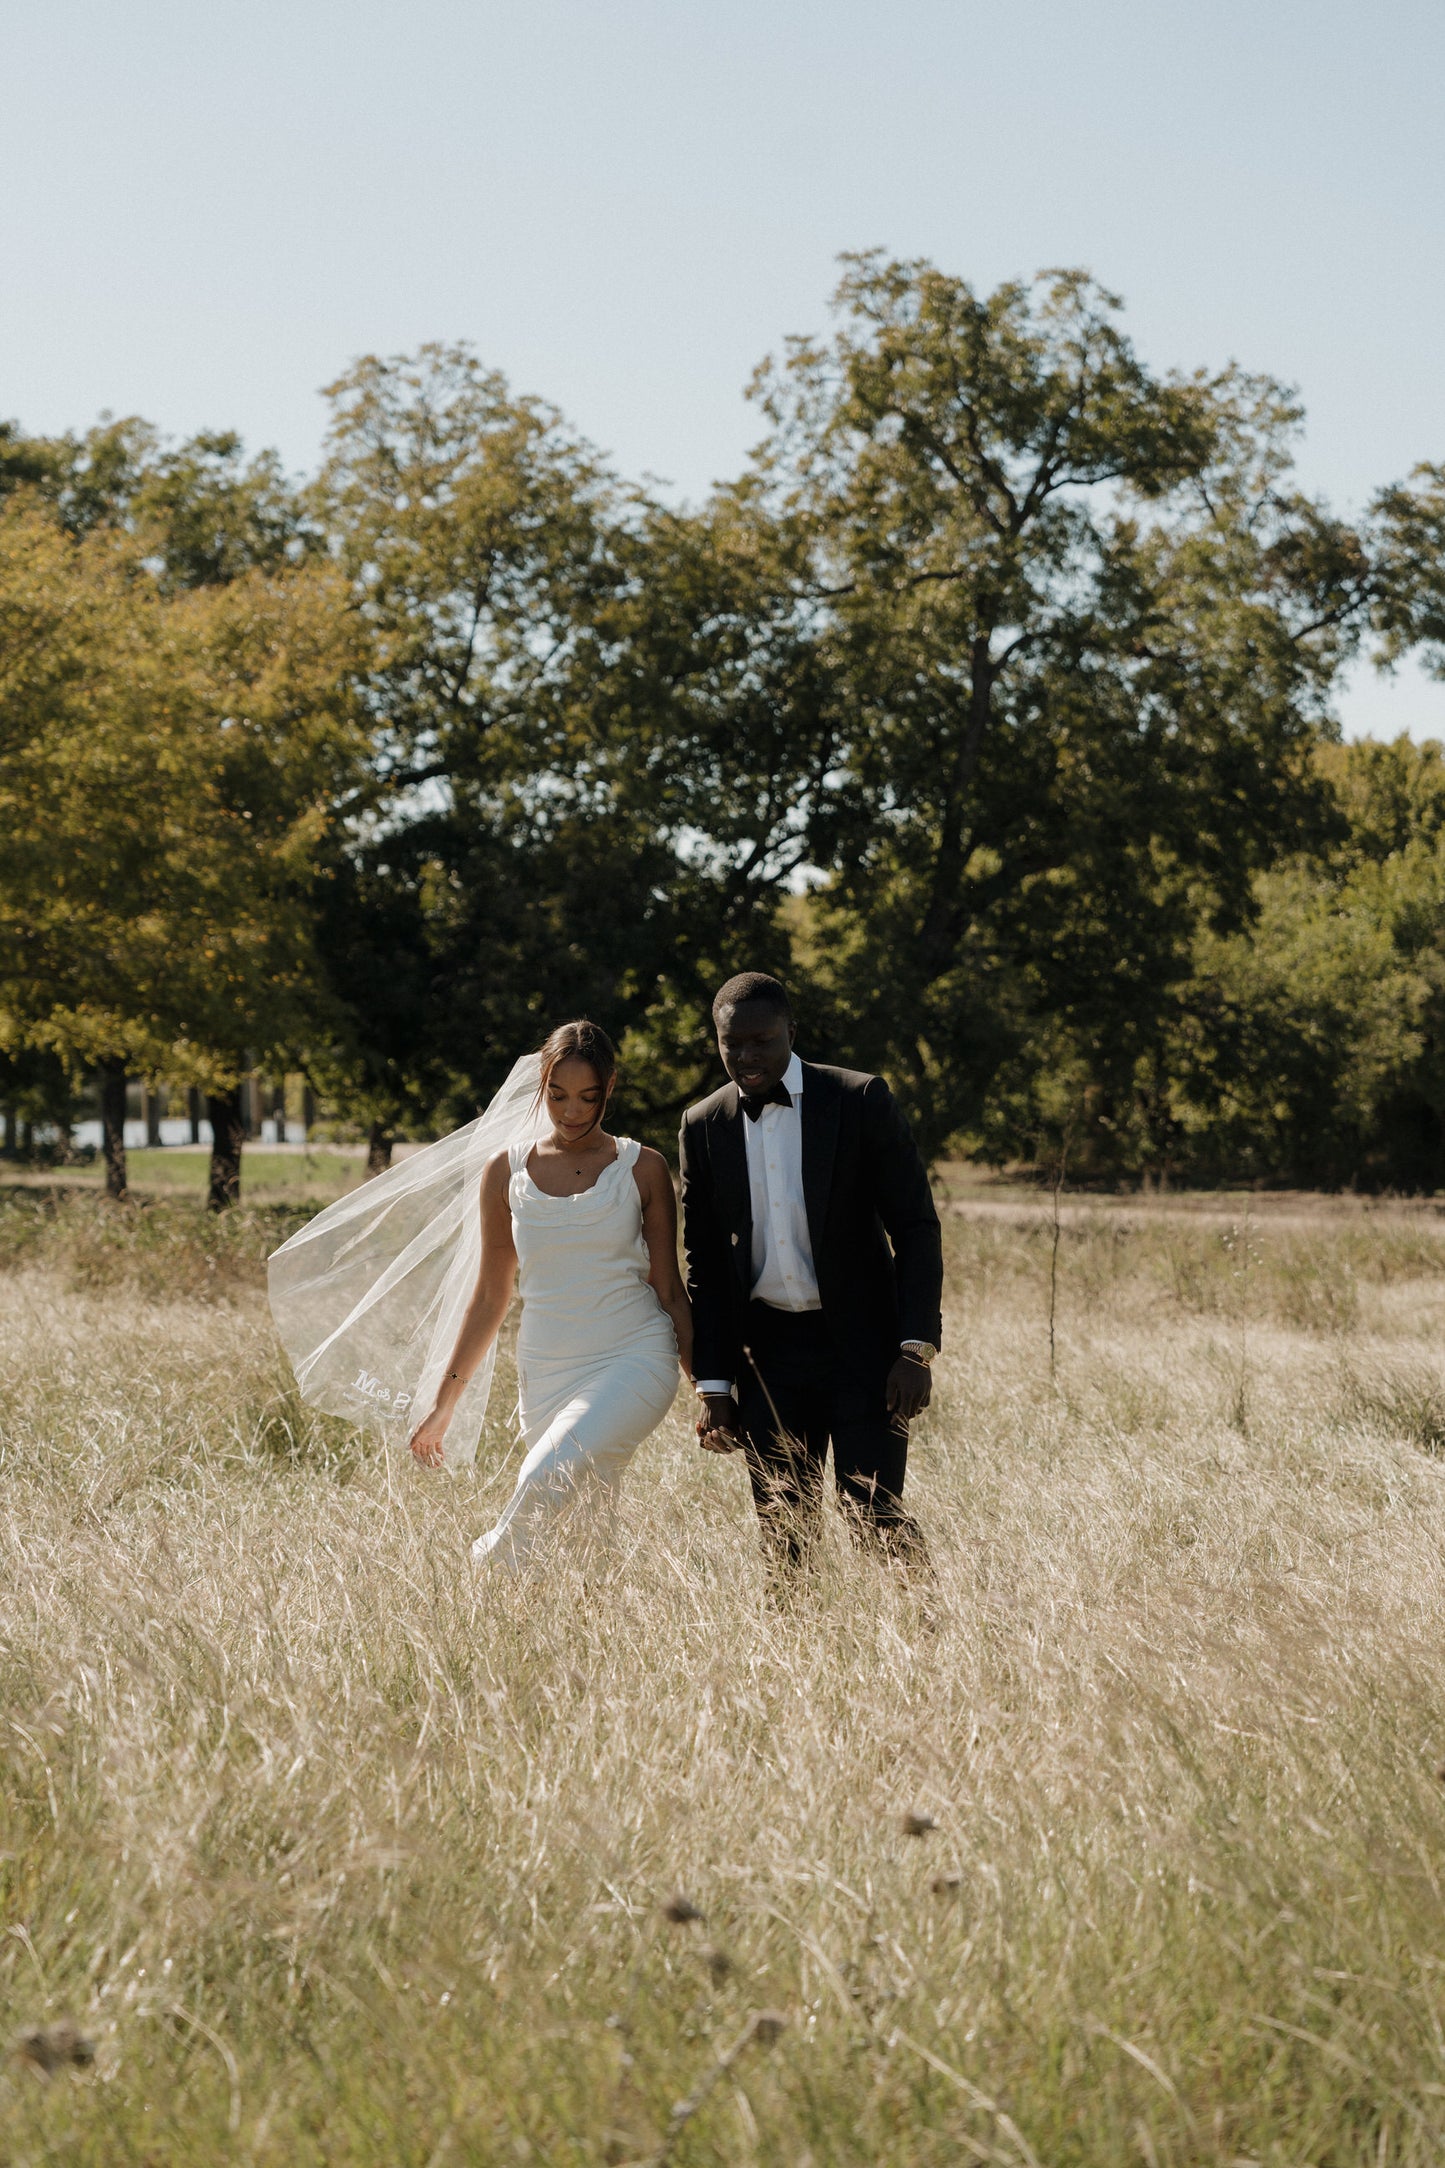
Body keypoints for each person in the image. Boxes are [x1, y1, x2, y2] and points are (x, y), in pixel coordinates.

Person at [679, 972, 942, 1579]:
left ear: (791, 1033)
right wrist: (714, 1386)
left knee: (874, 1514)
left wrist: (915, 1348)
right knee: (782, 1532)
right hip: (766, 1356)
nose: (746, 1057)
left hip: (864, 1349)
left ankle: (928, 1644)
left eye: (762, 1041)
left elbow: (916, 1227)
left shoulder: (859, 1098)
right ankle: (792, 1662)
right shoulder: (703, 1125)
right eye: (731, 1043)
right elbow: (707, 1267)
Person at [406, 1020, 692, 1571]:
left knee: (543, 1478)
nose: (571, 1112)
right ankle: (580, 1640)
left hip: (635, 1355)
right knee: (581, 1531)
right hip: (547, 1369)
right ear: (541, 1085)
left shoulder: (643, 1168)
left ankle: (484, 1567)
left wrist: (710, 1386)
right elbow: (491, 1298)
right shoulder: (505, 1173)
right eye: (557, 1095)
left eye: (588, 1097)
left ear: (609, 1088)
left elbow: (670, 1290)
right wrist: (443, 1406)